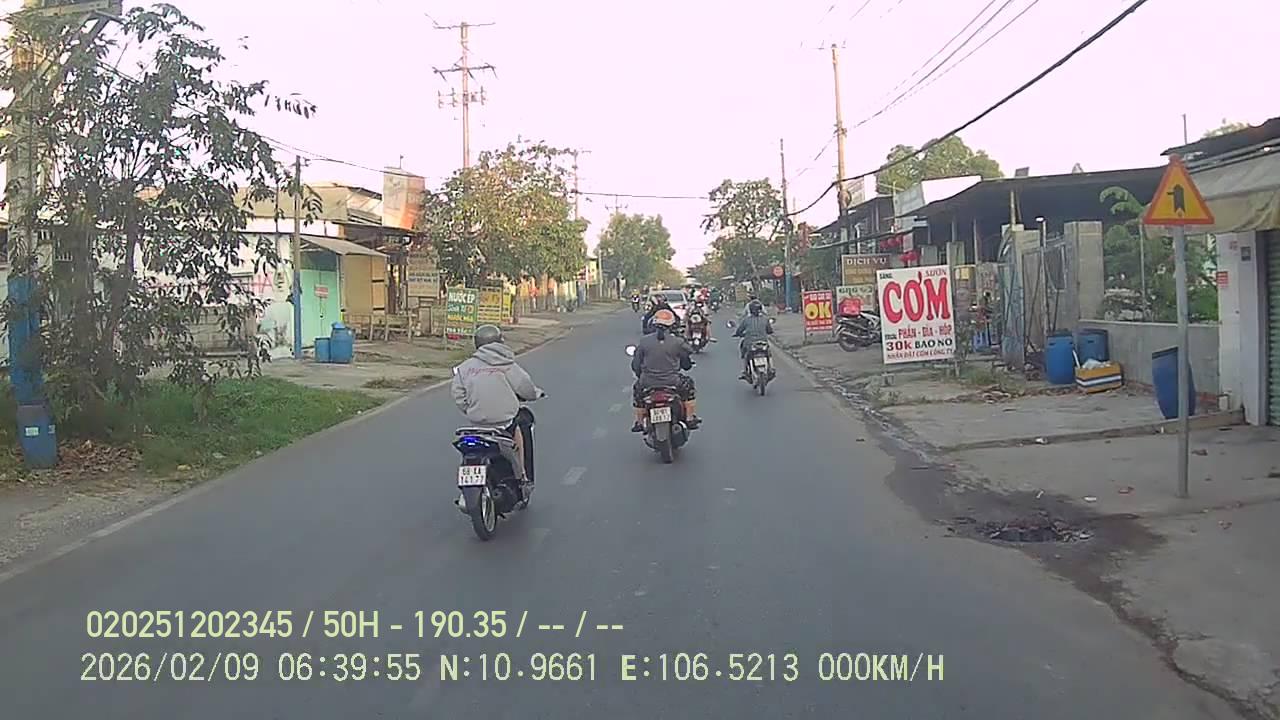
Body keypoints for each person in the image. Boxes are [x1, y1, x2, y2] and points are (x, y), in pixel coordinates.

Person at [451, 324, 544, 485]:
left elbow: (458, 396)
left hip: (477, 423)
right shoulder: (506, 364)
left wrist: (471, 409)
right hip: (504, 423)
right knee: (520, 426)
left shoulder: (465, 368)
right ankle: (522, 474)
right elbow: (525, 387)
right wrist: (536, 394)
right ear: (500, 341)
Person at [630, 308, 700, 432]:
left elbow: (636, 364)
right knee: (689, 386)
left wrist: (641, 376)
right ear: (672, 325)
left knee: (638, 394)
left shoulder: (644, 341)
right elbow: (688, 355)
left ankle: (639, 422)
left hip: (647, 382)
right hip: (673, 382)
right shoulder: (677, 342)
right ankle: (689, 418)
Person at [733, 299, 774, 380]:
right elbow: (770, 330)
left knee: (744, 353)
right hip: (763, 343)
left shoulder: (746, 320)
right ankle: (771, 368)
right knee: (768, 353)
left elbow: (739, 330)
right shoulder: (764, 319)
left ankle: (745, 371)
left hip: (750, 343)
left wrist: (737, 334)